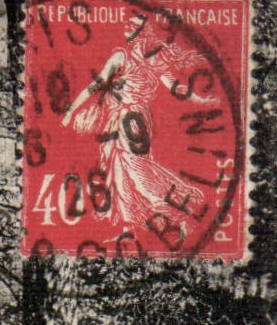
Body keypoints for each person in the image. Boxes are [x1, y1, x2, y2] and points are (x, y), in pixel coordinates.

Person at [60, 19, 218, 238]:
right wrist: (71, 110)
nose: (126, 28)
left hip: (134, 121)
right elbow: (96, 85)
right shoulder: (121, 56)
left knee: (140, 175)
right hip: (120, 118)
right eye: (126, 26)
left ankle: (182, 215)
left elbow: (176, 87)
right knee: (119, 172)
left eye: (132, 26)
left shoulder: (153, 60)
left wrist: (201, 101)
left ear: (142, 33)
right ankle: (129, 229)